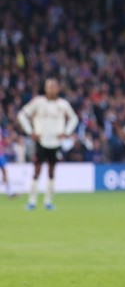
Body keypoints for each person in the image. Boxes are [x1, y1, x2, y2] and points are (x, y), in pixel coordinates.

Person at [17, 78, 78, 210]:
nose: (52, 89)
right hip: (41, 141)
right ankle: (32, 201)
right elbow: (22, 115)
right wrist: (30, 132)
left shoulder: (63, 104)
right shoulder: (38, 102)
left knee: (51, 171)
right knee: (37, 170)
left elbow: (74, 118)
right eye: (50, 86)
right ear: (45, 88)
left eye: (54, 86)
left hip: (55, 142)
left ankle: (48, 201)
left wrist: (66, 132)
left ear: (58, 89)